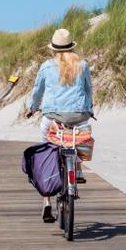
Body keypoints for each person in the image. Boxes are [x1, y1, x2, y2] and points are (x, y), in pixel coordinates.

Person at [26, 28, 93, 223]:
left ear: (54, 48)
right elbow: (88, 90)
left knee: (46, 147)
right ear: (71, 46)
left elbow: (37, 91)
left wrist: (32, 107)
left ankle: (46, 202)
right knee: (79, 137)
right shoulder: (83, 65)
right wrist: (89, 109)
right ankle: (77, 169)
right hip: (80, 115)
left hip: (53, 116)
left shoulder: (47, 66)